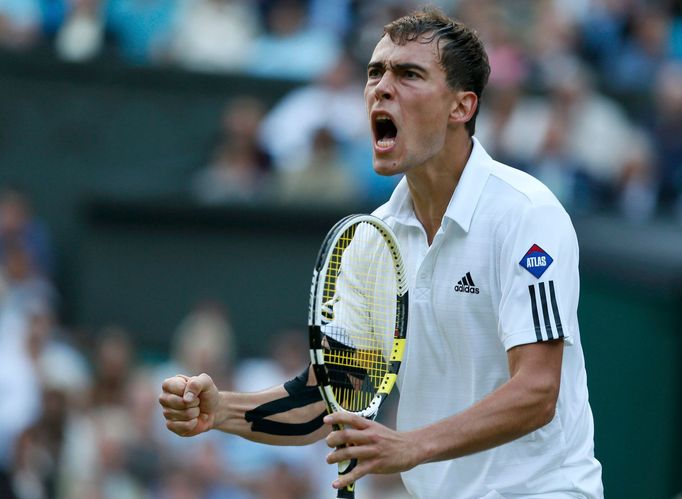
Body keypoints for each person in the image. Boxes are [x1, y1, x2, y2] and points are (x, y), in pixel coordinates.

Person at [159, 8, 604, 498]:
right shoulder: (373, 241)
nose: (381, 88)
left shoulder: (527, 214)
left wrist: (410, 445)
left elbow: (539, 391)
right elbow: (324, 395)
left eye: (409, 74)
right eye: (375, 73)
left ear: (462, 107)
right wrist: (221, 409)